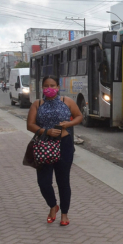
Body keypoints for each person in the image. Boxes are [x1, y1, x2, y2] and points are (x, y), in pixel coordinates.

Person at [26, 75, 82, 226]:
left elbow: (78, 116)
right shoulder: (37, 104)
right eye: (46, 86)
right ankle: (53, 206)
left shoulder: (67, 101)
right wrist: (46, 131)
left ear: (58, 87)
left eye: (52, 85)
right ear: (42, 88)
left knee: (63, 181)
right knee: (43, 182)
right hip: (44, 145)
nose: (49, 88)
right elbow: (30, 125)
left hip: (64, 144)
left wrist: (68, 124)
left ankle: (64, 213)